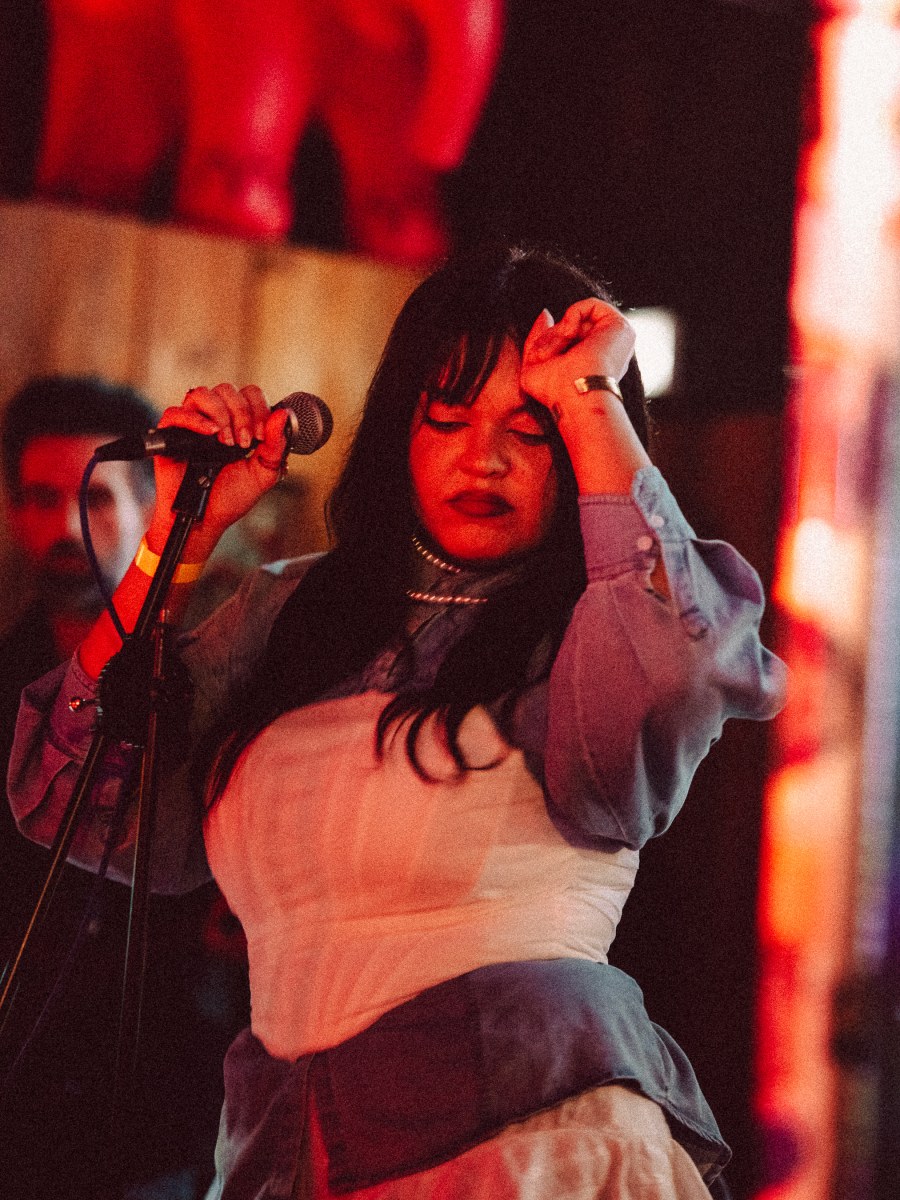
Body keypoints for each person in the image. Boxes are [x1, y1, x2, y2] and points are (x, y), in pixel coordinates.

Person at [8, 246, 786, 1198]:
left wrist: (589, 397)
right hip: (295, 1146)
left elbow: (685, 657)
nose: (484, 458)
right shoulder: (289, 611)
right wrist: (177, 539)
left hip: (531, 1140)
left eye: (531, 429)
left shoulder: (599, 628)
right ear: (396, 434)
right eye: (447, 419)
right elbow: (73, 796)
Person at [0, 376, 243, 1199]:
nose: (66, 526)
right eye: (41, 499)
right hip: (23, 1099)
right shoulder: (6, 685)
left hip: (176, 1102)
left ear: (151, 507)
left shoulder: (220, 677)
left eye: (94, 499)